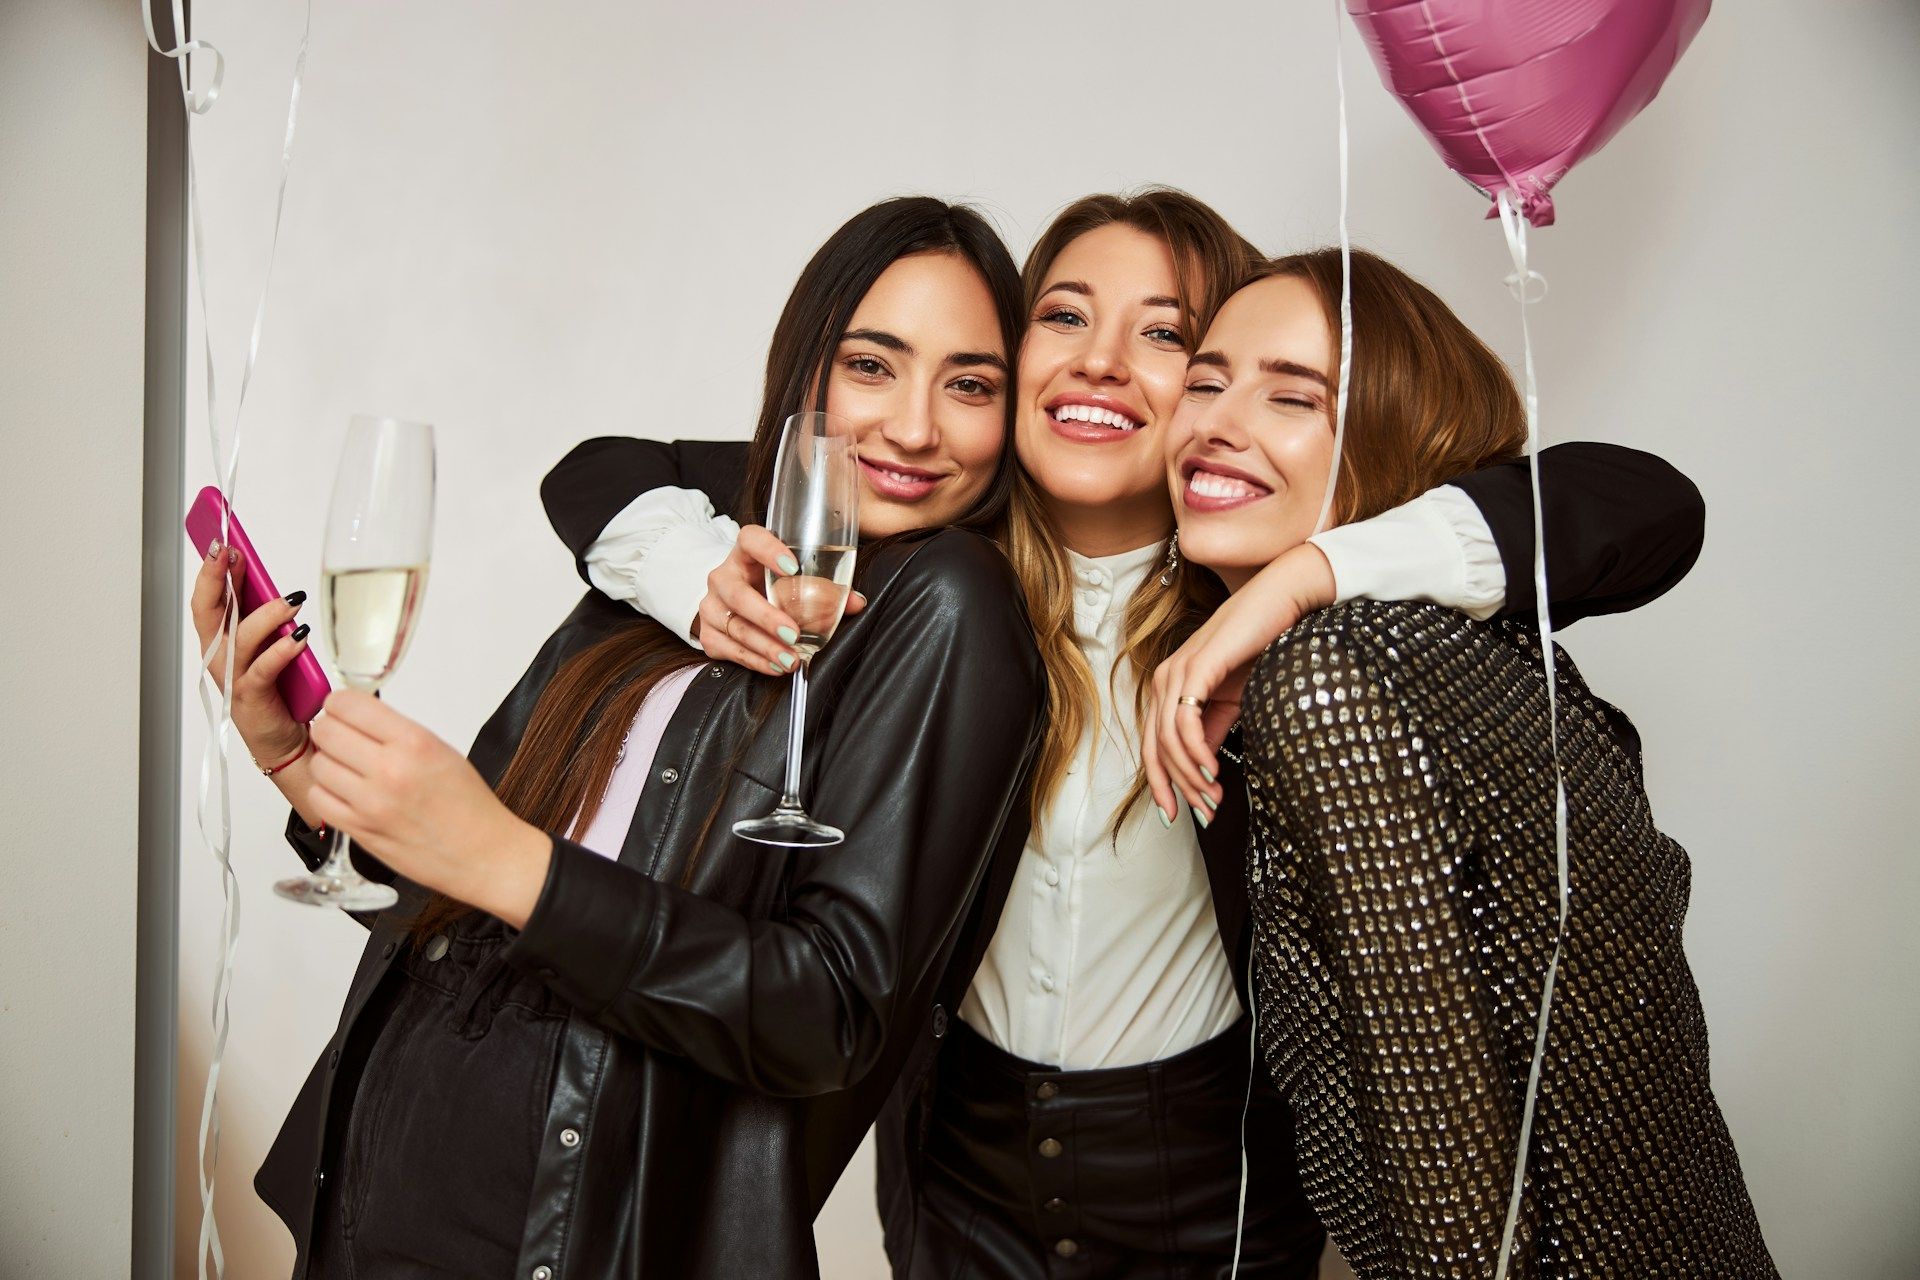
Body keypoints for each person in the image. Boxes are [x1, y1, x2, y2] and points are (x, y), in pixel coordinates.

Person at [541, 190, 1712, 1277]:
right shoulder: (925, 534)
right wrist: (694, 570)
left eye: (1166, 336)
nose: (1098, 357)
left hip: (1214, 1173)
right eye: (1062, 315)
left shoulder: (1283, 591)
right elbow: (606, 471)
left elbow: (1641, 502)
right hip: (955, 1162)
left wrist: (1299, 577)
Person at [192, 196, 1047, 1279]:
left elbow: (827, 1010)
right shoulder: (691, 556)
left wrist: (510, 860)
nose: (917, 427)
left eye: (971, 384)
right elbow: (466, 909)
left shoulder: (948, 603)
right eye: (873, 366)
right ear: (807, 372)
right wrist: (301, 768)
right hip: (375, 1186)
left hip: (567, 1234)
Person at [1149, 248, 1777, 1277]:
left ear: (1392, 441)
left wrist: (1307, 577)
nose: (1216, 418)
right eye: (1206, 380)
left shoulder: (1333, 666)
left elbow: (1449, 1180)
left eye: (1293, 396)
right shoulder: (1464, 655)